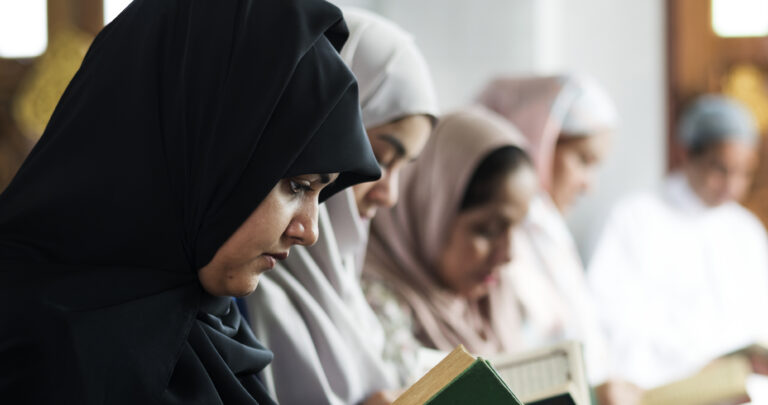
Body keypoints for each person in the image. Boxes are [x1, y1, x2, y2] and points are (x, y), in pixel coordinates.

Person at [0, 0, 381, 403]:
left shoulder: (208, 319)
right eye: (297, 186)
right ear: (200, 153)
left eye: (321, 193)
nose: (309, 231)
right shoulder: (47, 359)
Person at [245, 8, 438, 405]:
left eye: (404, 169)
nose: (390, 194)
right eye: (379, 158)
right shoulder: (244, 286)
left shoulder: (348, 288)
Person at [478, 75, 642, 404]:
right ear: (540, 141)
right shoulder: (500, 235)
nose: (589, 185)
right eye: (583, 160)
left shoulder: (549, 229)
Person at [587, 95, 768, 389]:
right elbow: (608, 321)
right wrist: (696, 364)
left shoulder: (747, 231)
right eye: (720, 169)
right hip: (666, 390)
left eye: (744, 173)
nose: (732, 186)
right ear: (685, 153)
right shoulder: (633, 218)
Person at [363, 106, 539, 364]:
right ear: (426, 210)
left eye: (518, 228)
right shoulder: (374, 312)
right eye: (488, 231)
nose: (508, 255)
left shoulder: (494, 302)